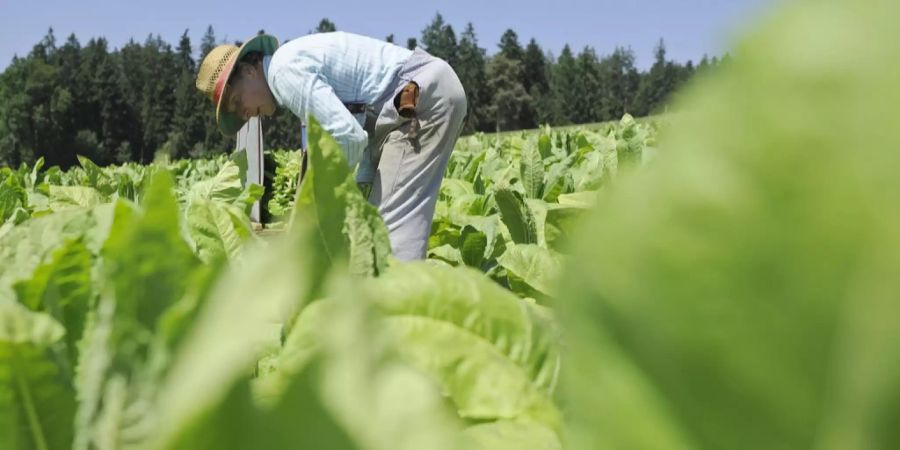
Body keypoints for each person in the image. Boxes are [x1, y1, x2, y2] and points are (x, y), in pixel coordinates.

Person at [195, 31, 467, 261]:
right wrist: (358, 191)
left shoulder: (282, 72)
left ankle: (395, 317)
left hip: (419, 99)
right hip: (420, 95)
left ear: (248, 70)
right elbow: (364, 131)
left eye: (236, 101)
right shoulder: (291, 62)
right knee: (374, 226)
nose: (243, 114)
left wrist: (321, 202)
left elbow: (349, 137)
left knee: (389, 237)